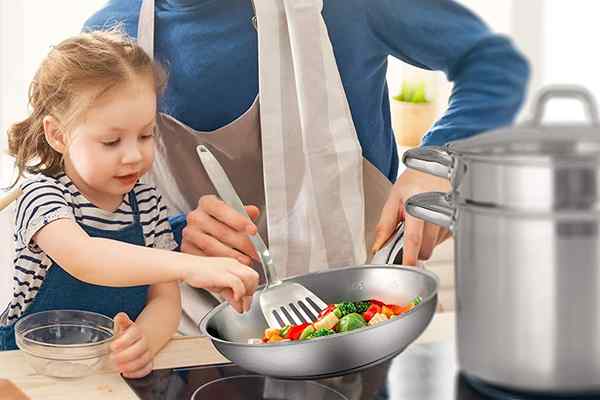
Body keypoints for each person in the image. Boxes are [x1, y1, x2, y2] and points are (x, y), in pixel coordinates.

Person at [84, 0, 530, 335]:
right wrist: (177, 234)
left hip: (363, 317)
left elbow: (494, 62)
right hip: (189, 334)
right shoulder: (110, 37)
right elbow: (95, 214)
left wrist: (440, 161)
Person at [0, 30, 259, 378]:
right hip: (29, 371)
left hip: (106, 371)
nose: (134, 155)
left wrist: (144, 340)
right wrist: (189, 266)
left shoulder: (146, 202)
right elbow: (87, 258)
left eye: (145, 135)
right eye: (111, 141)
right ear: (58, 135)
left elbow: (165, 301)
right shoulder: (42, 197)